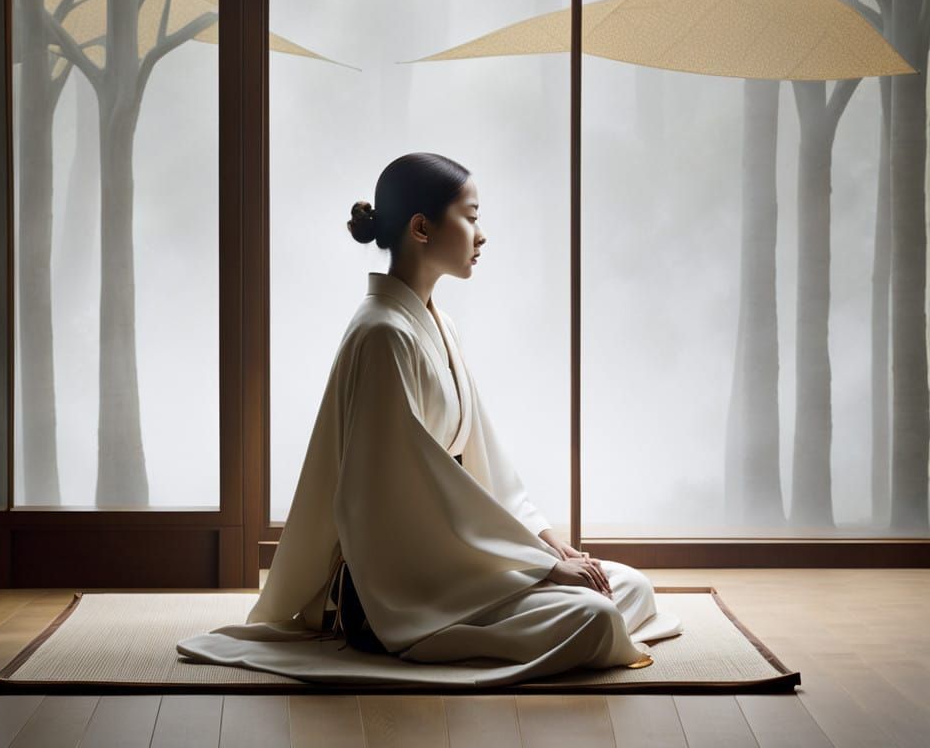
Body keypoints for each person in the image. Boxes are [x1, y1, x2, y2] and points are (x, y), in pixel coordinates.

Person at [177, 152, 681, 685]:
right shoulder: (383, 334)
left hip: (459, 561)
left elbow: (481, 454)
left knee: (628, 586)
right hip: (405, 584)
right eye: (471, 216)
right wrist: (541, 567)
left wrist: (543, 537)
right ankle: (418, 634)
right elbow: (405, 498)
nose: (481, 235)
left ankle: (530, 610)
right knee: (597, 616)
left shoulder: (435, 322)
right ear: (421, 227)